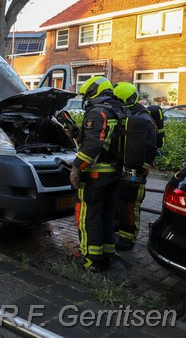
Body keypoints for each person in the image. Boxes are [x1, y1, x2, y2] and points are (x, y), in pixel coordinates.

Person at [70, 76, 126, 271]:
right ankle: (107, 253)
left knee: (89, 216)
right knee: (107, 215)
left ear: (94, 92)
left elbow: (94, 145)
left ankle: (90, 259)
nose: (85, 99)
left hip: (95, 176)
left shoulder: (97, 111)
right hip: (114, 174)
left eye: (86, 94)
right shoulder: (120, 111)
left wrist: (77, 167)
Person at [113, 82, 157, 251]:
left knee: (130, 205)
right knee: (121, 202)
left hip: (135, 172)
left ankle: (127, 238)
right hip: (124, 168)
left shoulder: (144, 121)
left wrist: (140, 171)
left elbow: (151, 149)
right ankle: (119, 230)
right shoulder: (130, 116)